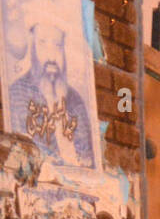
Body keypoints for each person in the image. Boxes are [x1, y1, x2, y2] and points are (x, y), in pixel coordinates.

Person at [8, 13, 95, 168]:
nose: (52, 55)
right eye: (43, 43)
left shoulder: (75, 100)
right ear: (33, 49)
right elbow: (23, 153)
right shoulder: (18, 93)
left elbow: (88, 158)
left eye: (57, 45)